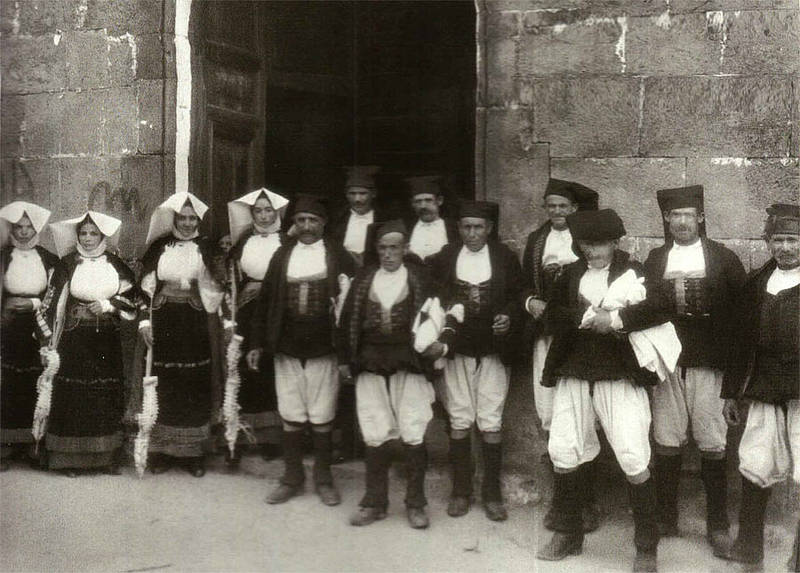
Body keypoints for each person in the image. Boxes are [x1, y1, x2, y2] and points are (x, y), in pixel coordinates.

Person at [616, 185, 746, 556]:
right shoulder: (656, 259)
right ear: (667, 220)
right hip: (668, 362)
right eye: (675, 216)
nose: (682, 222)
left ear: (701, 218)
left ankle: (718, 523)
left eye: (689, 215)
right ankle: (666, 515)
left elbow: (741, 315)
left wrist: (735, 373)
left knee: (713, 443)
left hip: (709, 363)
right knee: (667, 439)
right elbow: (641, 306)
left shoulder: (723, 258)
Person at [536, 209, 660, 572]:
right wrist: (582, 317)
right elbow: (553, 315)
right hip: (575, 371)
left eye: (599, 243)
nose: (592, 251)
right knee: (565, 448)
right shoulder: (572, 274)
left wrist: (617, 319)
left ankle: (646, 546)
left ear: (615, 242)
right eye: (585, 244)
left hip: (619, 374)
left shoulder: (634, 271)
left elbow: (658, 308)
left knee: (633, 454)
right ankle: (568, 532)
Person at [247, 194, 355, 506]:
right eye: (300, 220)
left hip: (324, 347)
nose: (306, 226)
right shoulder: (282, 256)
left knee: (322, 414)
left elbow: (353, 303)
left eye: (313, 221)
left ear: (323, 223)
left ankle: (323, 478)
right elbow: (265, 302)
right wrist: (256, 343)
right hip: (287, 346)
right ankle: (291, 477)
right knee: (291, 414)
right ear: (293, 223)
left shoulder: (338, 256)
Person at [426, 200, 523, 522]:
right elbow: (432, 294)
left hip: (494, 350)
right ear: (458, 228)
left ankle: (492, 494)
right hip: (457, 349)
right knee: (459, 419)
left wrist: (508, 317)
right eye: (466, 227)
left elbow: (518, 296)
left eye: (478, 227)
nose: (472, 233)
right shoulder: (445, 258)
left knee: (490, 419)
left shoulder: (505, 258)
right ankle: (461, 490)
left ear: (489, 228)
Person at [339, 220, 436, 529]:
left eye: (395, 247)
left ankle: (416, 503)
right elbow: (345, 322)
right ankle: (374, 501)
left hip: (409, 362)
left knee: (413, 427)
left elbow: (436, 315)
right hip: (370, 361)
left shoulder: (419, 278)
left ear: (405, 249)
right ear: (376, 249)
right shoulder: (365, 279)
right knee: (374, 428)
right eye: (383, 247)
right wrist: (345, 360)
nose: (389, 254)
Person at [721, 203, 800, 571]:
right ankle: (749, 551)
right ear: (768, 242)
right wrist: (731, 392)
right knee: (755, 466)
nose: (785, 247)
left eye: (793, 239)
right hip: (765, 388)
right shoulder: (756, 284)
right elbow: (738, 343)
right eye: (779, 239)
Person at [521, 178, 600, 532]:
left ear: (574, 209)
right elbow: (524, 282)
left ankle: (587, 501)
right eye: (550, 205)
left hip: (581, 339)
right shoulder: (536, 241)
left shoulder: (587, 242)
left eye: (562, 206)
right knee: (551, 413)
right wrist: (530, 301)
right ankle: (561, 501)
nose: (556, 212)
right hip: (548, 334)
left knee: (584, 418)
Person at [138, 192, 225, 477]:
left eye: (192, 218)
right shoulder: (160, 247)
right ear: (173, 219)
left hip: (194, 320)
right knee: (165, 381)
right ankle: (162, 452)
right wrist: (144, 322)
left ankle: (193, 454)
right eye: (182, 218)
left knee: (193, 381)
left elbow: (217, 285)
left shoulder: (207, 248)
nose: (187, 223)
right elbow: (146, 287)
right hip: (164, 318)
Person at [45, 212, 136, 476]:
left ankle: (105, 458)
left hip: (105, 339)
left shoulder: (116, 264)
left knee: (104, 395)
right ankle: (69, 460)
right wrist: (48, 340)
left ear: (102, 236)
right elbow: (54, 300)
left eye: (93, 233)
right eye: (83, 233)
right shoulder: (67, 264)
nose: (87, 238)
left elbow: (133, 295)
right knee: (74, 396)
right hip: (75, 338)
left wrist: (109, 304)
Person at [225, 187, 290, 464]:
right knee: (243, 370)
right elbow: (231, 279)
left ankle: (272, 439)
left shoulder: (287, 242)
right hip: (248, 311)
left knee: (272, 368)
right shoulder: (243, 243)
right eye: (258, 211)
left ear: (276, 212)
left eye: (268, 210)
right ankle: (240, 436)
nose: (263, 216)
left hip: (278, 311)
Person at [0, 201, 60, 471]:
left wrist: (34, 305)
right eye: (18, 227)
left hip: (38, 326)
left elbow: (57, 293)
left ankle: (33, 444)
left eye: (29, 227)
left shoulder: (47, 258)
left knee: (35, 383)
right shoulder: (3, 256)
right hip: (8, 325)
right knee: (7, 383)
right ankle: (5, 445)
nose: (24, 232)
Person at [404, 175, 457, 262]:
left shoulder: (453, 228)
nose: (423, 206)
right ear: (412, 204)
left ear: (439, 201)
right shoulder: (405, 228)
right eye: (418, 201)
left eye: (428, 200)